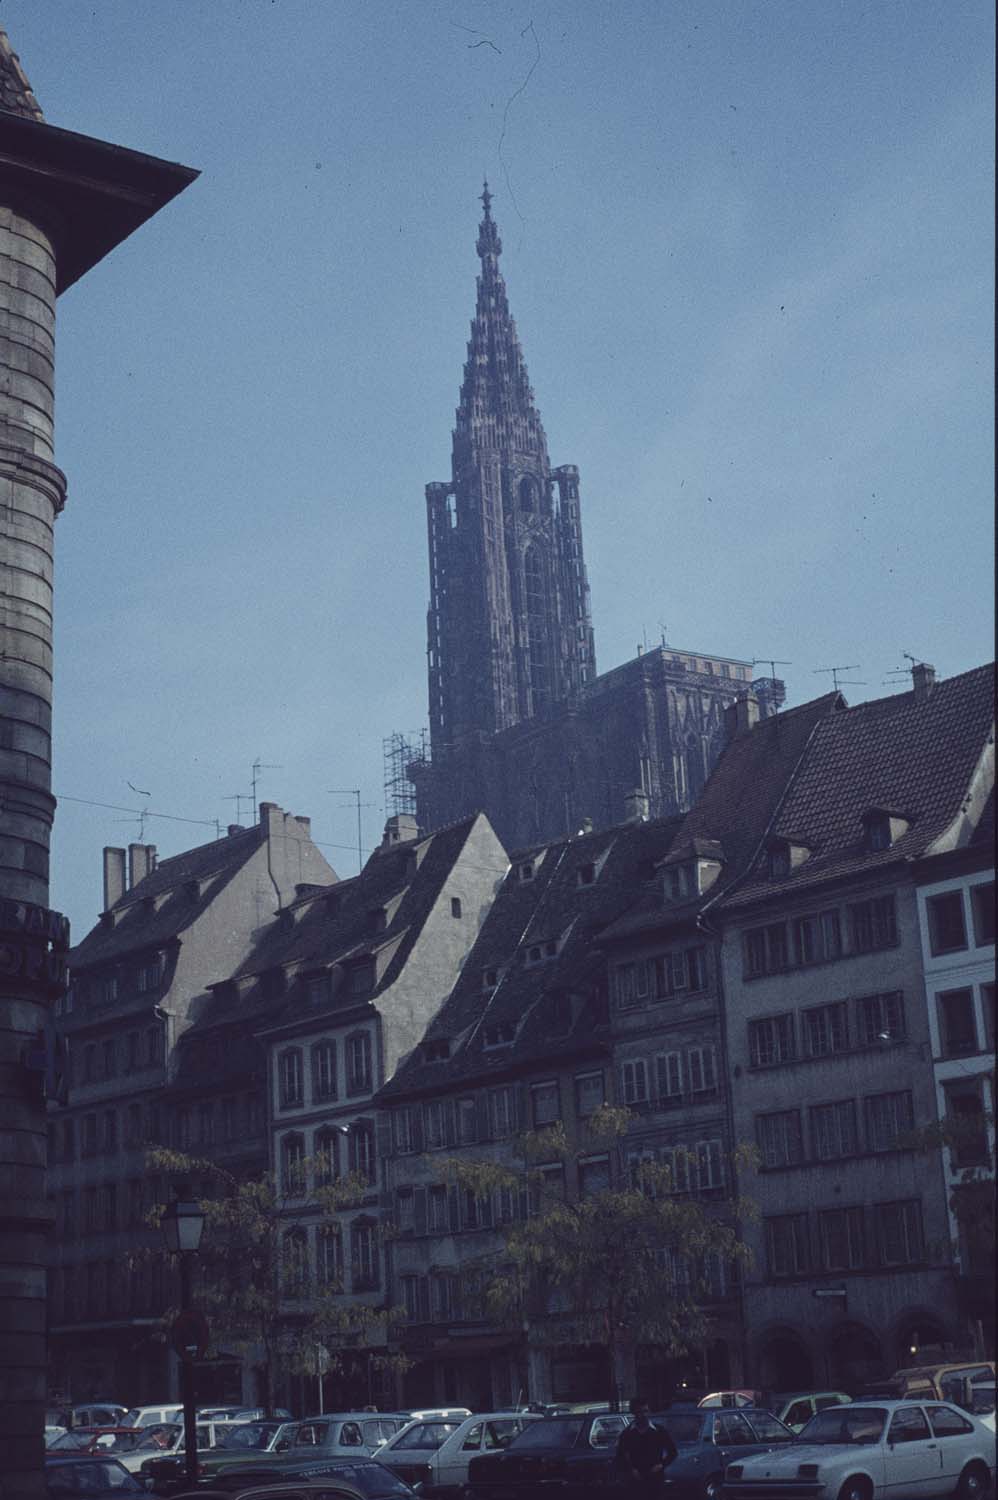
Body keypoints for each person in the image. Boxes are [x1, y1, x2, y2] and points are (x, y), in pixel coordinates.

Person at [615, 1398, 677, 1497]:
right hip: (635, 1480)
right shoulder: (627, 1434)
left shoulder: (659, 1431)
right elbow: (620, 1456)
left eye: (645, 1411)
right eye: (639, 1412)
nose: (643, 1415)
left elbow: (673, 1452)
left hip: (656, 1479)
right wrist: (631, 1470)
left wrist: (661, 1465)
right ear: (634, 1413)